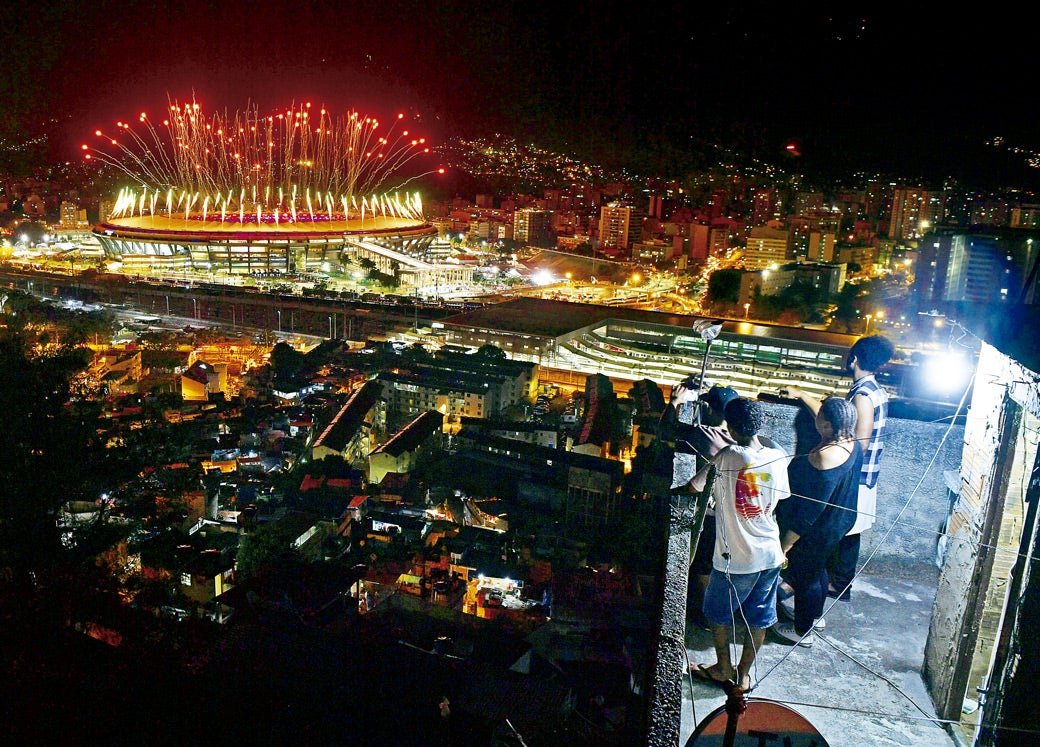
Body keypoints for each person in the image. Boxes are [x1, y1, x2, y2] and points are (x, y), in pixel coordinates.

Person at [778, 334, 894, 600]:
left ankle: (833, 585)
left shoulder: (863, 395)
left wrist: (801, 395)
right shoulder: (874, 388)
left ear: (853, 359)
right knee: (846, 532)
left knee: (838, 532)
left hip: (857, 477)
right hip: (864, 475)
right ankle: (835, 585)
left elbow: (856, 438)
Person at [686, 397, 790, 692]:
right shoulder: (777, 457)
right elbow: (778, 498)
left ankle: (722, 667)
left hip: (735, 558)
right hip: (771, 553)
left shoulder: (729, 454)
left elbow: (693, 486)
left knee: (716, 613)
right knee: (758, 617)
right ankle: (743, 676)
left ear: (730, 428)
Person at [773, 397, 863, 647]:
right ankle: (814, 616)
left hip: (819, 528)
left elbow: (811, 509)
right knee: (819, 568)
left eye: (820, 415)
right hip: (840, 521)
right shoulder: (851, 442)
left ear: (828, 425)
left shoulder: (826, 457)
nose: (816, 418)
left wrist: (786, 544)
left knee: (808, 575)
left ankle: (802, 630)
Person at [675, 385, 739, 629]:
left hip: (713, 512)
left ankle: (706, 617)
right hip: (737, 513)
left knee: (703, 564)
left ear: (712, 410)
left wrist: (675, 402)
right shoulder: (742, 439)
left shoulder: (706, 434)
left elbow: (668, 430)